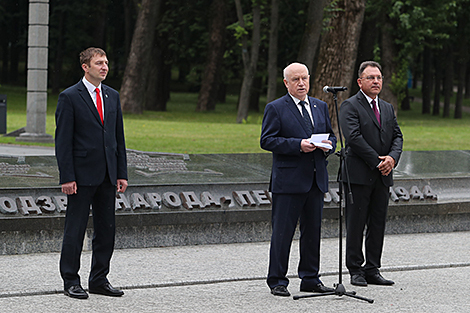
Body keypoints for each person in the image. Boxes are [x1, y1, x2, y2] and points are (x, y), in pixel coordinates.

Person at [55, 47, 128, 299]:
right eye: (99, 63)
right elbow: (63, 142)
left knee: (106, 230)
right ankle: (71, 281)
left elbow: (118, 138)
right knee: (74, 230)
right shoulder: (69, 97)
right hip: (81, 177)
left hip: (108, 174)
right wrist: (67, 176)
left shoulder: (112, 96)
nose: (104, 67)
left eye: (106, 62)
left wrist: (121, 172)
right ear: (85, 67)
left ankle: (99, 279)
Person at [260, 62, 337, 297]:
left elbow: (332, 136)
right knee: (283, 232)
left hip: (315, 179)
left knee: (312, 232)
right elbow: (267, 140)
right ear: (286, 83)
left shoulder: (320, 105)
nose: (301, 83)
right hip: (289, 181)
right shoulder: (276, 108)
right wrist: (297, 145)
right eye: (296, 79)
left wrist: (328, 146)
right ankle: (277, 280)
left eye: (304, 78)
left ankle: (310, 278)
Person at [339, 61, 403, 287]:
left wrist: (392, 159)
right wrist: (378, 161)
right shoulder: (349, 106)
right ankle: (355, 270)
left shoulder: (386, 107)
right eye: (371, 78)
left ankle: (372, 268)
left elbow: (397, 136)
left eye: (379, 77)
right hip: (358, 176)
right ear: (360, 82)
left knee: (378, 223)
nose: (376, 81)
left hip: (383, 177)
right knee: (356, 224)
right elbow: (353, 138)